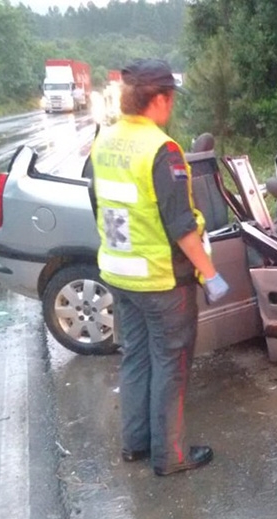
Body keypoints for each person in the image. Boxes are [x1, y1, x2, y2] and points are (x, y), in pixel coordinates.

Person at [90, 58, 230, 475]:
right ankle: (171, 456)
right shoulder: (161, 149)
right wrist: (211, 273)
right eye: (169, 98)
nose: (171, 106)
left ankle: (135, 443)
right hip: (161, 280)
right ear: (158, 99)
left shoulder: (105, 140)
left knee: (135, 357)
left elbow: (102, 204)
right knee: (172, 363)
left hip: (118, 274)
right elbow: (181, 225)